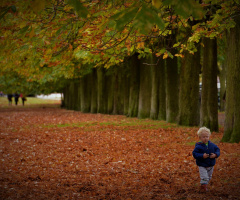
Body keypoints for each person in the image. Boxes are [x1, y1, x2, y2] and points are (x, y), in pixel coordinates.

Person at [192, 127, 220, 192]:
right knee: (204, 177)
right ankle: (203, 187)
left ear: (209, 137)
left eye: (207, 137)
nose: (205, 138)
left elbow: (217, 150)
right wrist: (202, 156)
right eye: (203, 137)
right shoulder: (198, 146)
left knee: (209, 177)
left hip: (210, 165)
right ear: (200, 138)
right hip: (202, 165)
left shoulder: (212, 145)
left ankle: (204, 185)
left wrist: (215, 155)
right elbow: (194, 154)